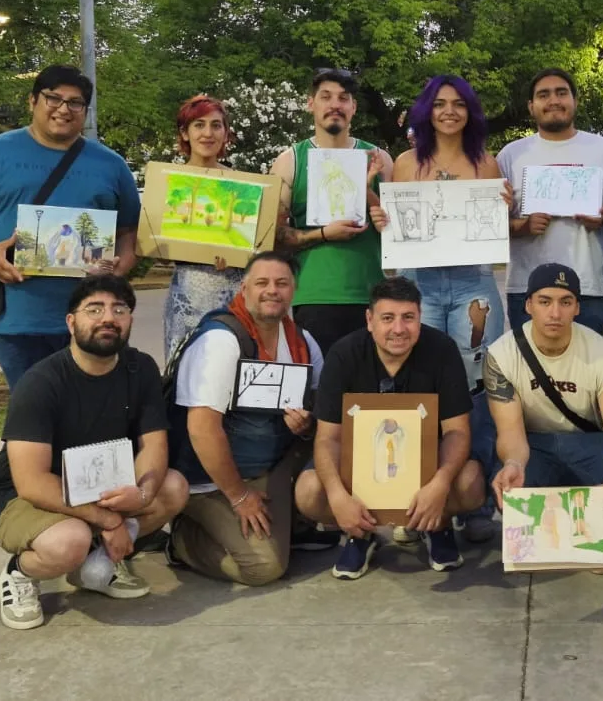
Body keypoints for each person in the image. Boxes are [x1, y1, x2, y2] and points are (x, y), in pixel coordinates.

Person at [0, 275, 189, 630]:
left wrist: (141, 494)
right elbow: (31, 482)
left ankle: (92, 567)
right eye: (94, 309)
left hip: (98, 485)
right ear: (71, 321)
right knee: (68, 541)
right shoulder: (42, 382)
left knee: (172, 487)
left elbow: (154, 445)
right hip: (23, 496)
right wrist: (110, 520)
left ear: (130, 320)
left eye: (119, 309)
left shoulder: (140, 369)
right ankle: (19, 573)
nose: (108, 318)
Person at [369, 74, 510, 543]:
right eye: (440, 104)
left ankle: (476, 501)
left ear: (470, 112)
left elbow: (497, 226)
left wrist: (505, 210)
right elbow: (395, 227)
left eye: (459, 104)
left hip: (473, 282)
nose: (449, 111)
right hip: (420, 284)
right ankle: (414, 499)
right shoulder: (407, 163)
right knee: (416, 383)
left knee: (479, 385)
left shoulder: (486, 163)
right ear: (426, 111)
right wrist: (383, 219)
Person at [0, 65, 142, 389]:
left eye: (75, 102)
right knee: (32, 409)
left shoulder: (112, 165)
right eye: (53, 98)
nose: (64, 109)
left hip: (93, 318)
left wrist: (117, 272)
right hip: (17, 317)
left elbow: (130, 232)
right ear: (33, 101)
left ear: (85, 110)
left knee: (95, 410)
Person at [294, 277, 486, 579]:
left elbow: (457, 431)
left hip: (425, 463)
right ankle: (361, 532)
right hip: (362, 467)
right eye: (387, 318)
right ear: (370, 320)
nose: (399, 328)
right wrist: (337, 496)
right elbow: (328, 438)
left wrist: (440, 483)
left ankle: (437, 524)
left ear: (420, 318)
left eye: (408, 317)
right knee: (308, 491)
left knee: (471, 482)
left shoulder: (441, 349)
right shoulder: (344, 354)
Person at [167, 251, 337, 585]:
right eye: (262, 283)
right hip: (210, 480)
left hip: (267, 463)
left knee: (326, 437)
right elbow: (201, 429)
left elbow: (326, 409)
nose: (272, 290)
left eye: (282, 283)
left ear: (294, 290)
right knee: (264, 567)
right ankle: (183, 539)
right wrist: (240, 497)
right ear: (244, 289)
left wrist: (307, 424)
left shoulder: (302, 340)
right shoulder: (220, 341)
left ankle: (295, 523)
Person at [485, 263, 603, 525]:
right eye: (544, 301)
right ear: (528, 305)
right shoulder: (501, 355)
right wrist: (514, 464)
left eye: (565, 302)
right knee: (511, 491)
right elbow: (510, 433)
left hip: (588, 442)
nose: (555, 313)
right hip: (533, 442)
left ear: (577, 307)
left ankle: (589, 530)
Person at [269, 69, 393, 353]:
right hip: (314, 297)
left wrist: (370, 196)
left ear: (354, 107)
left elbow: (398, 231)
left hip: (373, 295)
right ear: (310, 103)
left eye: (343, 98)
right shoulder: (290, 161)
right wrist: (324, 234)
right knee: (322, 379)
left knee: (369, 382)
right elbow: (273, 237)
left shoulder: (380, 159)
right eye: (326, 97)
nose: (335, 105)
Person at [497, 69, 603, 335]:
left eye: (561, 93)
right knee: (528, 362)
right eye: (544, 95)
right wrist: (523, 226)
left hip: (587, 288)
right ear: (531, 106)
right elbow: (493, 223)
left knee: (585, 360)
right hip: (526, 288)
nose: (553, 100)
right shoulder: (510, 155)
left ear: (575, 101)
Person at [162, 94, 245, 362]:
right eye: (199, 125)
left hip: (234, 292)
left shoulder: (243, 186)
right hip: (186, 295)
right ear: (184, 133)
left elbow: (256, 246)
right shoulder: (169, 183)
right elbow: (156, 246)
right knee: (184, 370)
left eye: (216, 125)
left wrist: (238, 256)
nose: (208, 133)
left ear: (225, 133)